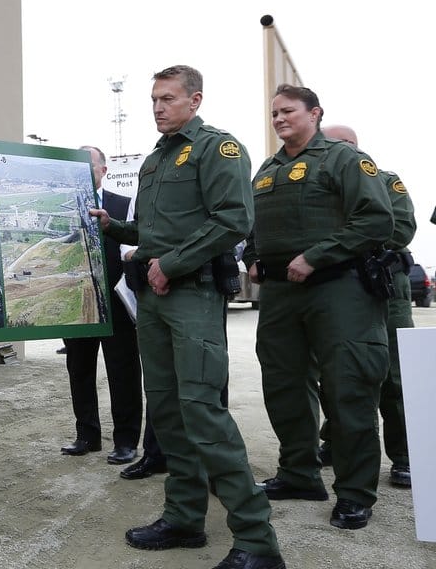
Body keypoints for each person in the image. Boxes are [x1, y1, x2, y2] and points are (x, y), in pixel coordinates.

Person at [92, 65, 283, 569]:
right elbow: (156, 231)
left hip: (191, 296)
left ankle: (257, 542)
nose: (158, 107)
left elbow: (233, 220)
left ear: (194, 101)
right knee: (170, 412)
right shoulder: (158, 158)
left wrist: (170, 265)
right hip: (155, 299)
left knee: (203, 412)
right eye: (154, 99)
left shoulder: (216, 148)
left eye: (168, 99)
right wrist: (114, 227)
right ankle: (184, 518)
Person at [244, 88, 394, 532]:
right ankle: (299, 473)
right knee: (284, 384)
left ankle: (354, 494)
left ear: (315, 113)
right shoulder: (268, 170)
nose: (278, 119)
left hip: (339, 290)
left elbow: (376, 219)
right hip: (280, 295)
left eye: (287, 111)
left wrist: (317, 255)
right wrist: (253, 254)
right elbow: (254, 224)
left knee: (349, 388)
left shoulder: (344, 160)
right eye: (274, 113)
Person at [315, 125, 416, 490]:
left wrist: (341, 240)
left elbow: (399, 228)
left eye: (340, 145)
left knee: (393, 376)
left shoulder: (385, 181)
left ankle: (405, 457)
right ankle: (336, 441)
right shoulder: (317, 186)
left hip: (383, 286)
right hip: (336, 290)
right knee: (337, 373)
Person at [60, 146, 142, 466]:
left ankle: (125, 441)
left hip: (116, 304)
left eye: (88, 165)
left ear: (104, 171)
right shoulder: (64, 208)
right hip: (78, 304)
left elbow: (134, 249)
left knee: (123, 372)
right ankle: (87, 436)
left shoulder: (123, 206)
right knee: (79, 370)